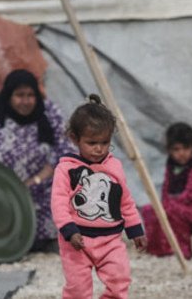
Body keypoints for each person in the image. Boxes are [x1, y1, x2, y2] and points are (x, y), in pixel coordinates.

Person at [0, 69, 74, 247]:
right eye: (19, 95)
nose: (26, 101)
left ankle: (46, 239)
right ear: (8, 95)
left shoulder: (49, 113)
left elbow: (67, 150)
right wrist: (4, 186)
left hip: (38, 190)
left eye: (30, 95)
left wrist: (35, 180)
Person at [51, 95, 147, 299]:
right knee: (78, 289)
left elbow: (125, 201)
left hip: (110, 239)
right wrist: (69, 230)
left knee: (120, 280)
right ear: (74, 138)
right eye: (92, 142)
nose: (99, 148)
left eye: (105, 142)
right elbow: (58, 203)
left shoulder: (114, 167)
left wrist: (135, 229)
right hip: (77, 241)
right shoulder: (66, 168)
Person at [138, 122, 192, 258]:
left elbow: (190, 195)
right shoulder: (171, 166)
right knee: (149, 209)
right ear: (169, 150)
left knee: (169, 210)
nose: (181, 153)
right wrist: (163, 205)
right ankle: (157, 249)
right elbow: (166, 189)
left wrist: (168, 204)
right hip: (174, 206)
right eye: (176, 149)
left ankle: (179, 250)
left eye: (186, 148)